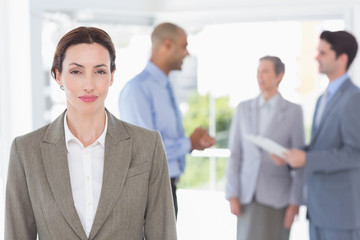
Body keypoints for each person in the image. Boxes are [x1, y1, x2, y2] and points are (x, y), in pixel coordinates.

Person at [5, 26, 177, 240]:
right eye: (76, 71)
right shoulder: (25, 151)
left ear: (112, 76)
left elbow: (163, 234)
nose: (89, 85)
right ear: (58, 76)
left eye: (99, 71)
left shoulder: (148, 145)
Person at [119, 22, 215, 218]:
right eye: (184, 46)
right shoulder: (137, 90)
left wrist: (192, 143)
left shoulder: (165, 86)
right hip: (148, 191)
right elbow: (145, 149)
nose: (187, 53)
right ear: (167, 45)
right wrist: (188, 143)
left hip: (167, 188)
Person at [272, 30, 360, 240]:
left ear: (342, 58)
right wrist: (291, 156)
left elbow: (355, 153)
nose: (316, 57)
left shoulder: (353, 98)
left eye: (323, 52)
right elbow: (323, 146)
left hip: (341, 214)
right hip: (319, 210)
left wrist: (307, 159)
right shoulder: (323, 98)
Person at [226, 56, 305, 240]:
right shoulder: (243, 109)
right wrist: (232, 193)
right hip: (247, 196)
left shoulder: (293, 112)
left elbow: (299, 162)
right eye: (258, 71)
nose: (260, 76)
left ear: (279, 76)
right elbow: (235, 154)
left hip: (278, 198)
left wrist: (295, 203)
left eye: (265, 71)